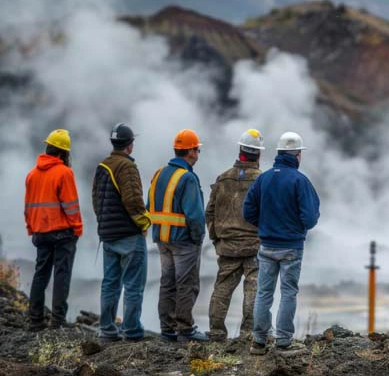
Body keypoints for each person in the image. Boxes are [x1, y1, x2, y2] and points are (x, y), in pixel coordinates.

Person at [244, 131, 320, 354]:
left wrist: (265, 225)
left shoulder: (263, 178)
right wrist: (297, 228)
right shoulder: (300, 181)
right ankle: (283, 341)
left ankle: (258, 341)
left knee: (263, 293)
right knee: (288, 292)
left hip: (266, 246)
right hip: (291, 247)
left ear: (278, 153)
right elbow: (310, 217)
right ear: (297, 155)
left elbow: (248, 210)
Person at [92, 123, 151, 343]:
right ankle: (132, 330)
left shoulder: (103, 166)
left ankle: (107, 330)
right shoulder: (126, 167)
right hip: (128, 235)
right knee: (134, 285)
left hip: (108, 235)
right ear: (129, 145)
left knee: (110, 283)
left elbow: (96, 199)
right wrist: (144, 224)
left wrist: (104, 224)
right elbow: (133, 200)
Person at [147, 129, 208, 342]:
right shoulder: (188, 178)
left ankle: (167, 329)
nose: (198, 154)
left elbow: (149, 206)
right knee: (186, 284)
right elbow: (195, 215)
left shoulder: (159, 174)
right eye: (197, 150)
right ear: (190, 152)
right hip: (184, 242)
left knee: (167, 283)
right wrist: (198, 238)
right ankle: (185, 330)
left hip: (162, 240)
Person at [205, 129, 265, 341]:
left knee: (222, 288)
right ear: (258, 154)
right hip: (254, 245)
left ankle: (216, 332)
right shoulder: (262, 180)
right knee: (253, 290)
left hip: (227, 245)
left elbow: (209, 212)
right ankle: (248, 334)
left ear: (240, 150)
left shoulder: (223, 179)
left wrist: (216, 238)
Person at [24, 129, 83, 331]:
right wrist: (77, 229)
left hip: (40, 232)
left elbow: (28, 207)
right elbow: (71, 206)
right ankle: (57, 321)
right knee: (61, 275)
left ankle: (35, 321)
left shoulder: (32, 174)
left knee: (40, 275)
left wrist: (31, 228)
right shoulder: (64, 173)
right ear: (63, 153)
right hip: (62, 233)